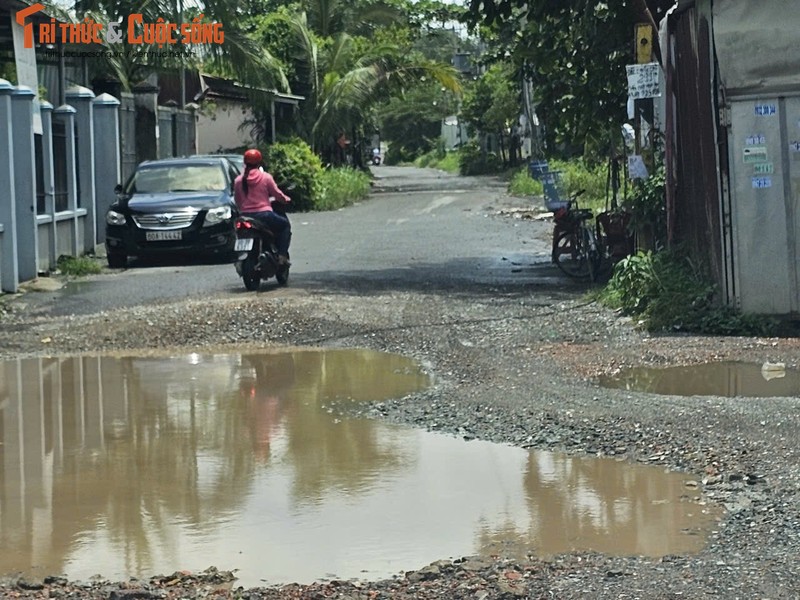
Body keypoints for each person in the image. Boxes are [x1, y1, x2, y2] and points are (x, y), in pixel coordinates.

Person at [233, 149, 292, 264]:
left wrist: (243, 210)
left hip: (244, 216)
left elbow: (237, 200)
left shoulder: (238, 180)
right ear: (259, 162)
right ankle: (281, 256)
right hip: (264, 215)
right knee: (284, 226)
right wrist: (285, 199)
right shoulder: (265, 177)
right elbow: (277, 194)